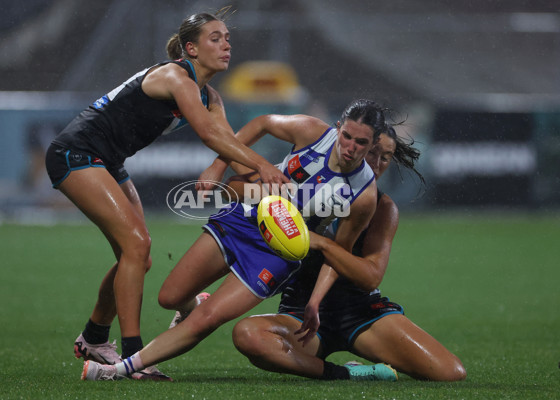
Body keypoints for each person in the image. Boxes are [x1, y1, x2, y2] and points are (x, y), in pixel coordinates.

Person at [45, 8, 288, 380]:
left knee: (137, 256)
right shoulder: (175, 76)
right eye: (216, 38)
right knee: (137, 246)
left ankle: (94, 337)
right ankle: (134, 358)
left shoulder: (211, 97)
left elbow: (228, 150)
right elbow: (210, 136)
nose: (227, 45)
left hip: (108, 161)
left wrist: (277, 185)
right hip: (76, 153)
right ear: (190, 48)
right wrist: (264, 165)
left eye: (227, 38)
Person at [81, 99, 399, 382]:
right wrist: (217, 166)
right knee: (170, 297)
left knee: (208, 320)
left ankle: (120, 370)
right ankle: (194, 304)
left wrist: (314, 300)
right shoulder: (313, 133)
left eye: (362, 143)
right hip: (244, 219)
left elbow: (338, 252)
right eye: (347, 136)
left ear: (371, 145)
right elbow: (261, 123)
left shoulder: (363, 195)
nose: (351, 147)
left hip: (277, 255)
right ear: (338, 127)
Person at [231, 126, 467, 381]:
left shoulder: (383, 207)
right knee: (248, 335)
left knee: (450, 373)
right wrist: (258, 193)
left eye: (385, 157)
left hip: (361, 313)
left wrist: (323, 244)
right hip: (300, 313)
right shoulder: (304, 187)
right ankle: (350, 374)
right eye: (372, 152)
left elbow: (371, 277)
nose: (376, 163)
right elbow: (233, 185)